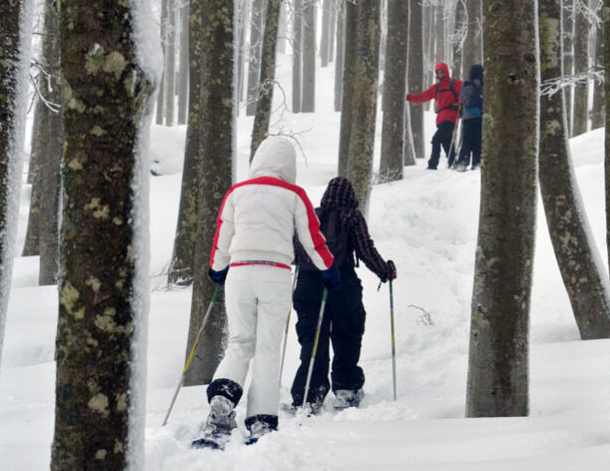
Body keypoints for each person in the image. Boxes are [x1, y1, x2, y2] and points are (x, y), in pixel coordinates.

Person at [198, 136, 340, 447]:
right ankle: (260, 421)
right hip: (274, 274)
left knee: (239, 343)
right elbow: (312, 238)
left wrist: (218, 267)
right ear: (287, 166)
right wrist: (328, 268)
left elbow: (223, 234)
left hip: (239, 272)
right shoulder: (294, 194)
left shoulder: (237, 192)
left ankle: (222, 398)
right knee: (267, 349)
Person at [290, 177, 396, 413]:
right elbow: (365, 250)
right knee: (347, 333)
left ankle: (308, 394)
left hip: (308, 283)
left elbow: (294, 251)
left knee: (312, 339)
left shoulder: (311, 217)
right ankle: (346, 387)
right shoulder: (351, 217)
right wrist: (385, 271)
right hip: (342, 283)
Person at [406, 62, 463, 170]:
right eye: (438, 73)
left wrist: (459, 103)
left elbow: (464, 93)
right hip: (440, 119)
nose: (440, 75)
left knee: (436, 139)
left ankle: (433, 164)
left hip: (450, 118)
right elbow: (422, 97)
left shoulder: (455, 84)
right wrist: (408, 98)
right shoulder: (436, 88)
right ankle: (453, 163)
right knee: (447, 142)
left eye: (442, 72)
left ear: (446, 72)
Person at [457, 64, 484, 170]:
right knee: (478, 141)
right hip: (480, 118)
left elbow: (464, 100)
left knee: (467, 141)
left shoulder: (466, 86)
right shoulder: (484, 87)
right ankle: (477, 162)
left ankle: (463, 161)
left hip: (468, 118)